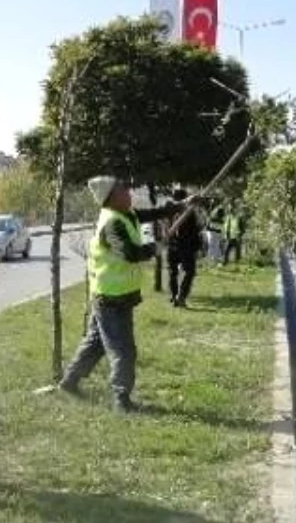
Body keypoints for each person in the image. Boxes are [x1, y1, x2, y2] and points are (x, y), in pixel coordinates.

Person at [57, 176, 191, 413]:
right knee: (124, 350)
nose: (128, 192)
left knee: (95, 343)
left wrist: (185, 204)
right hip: (111, 298)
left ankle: (69, 383)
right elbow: (129, 254)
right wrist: (156, 247)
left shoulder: (125, 214)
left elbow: (152, 213)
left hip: (111, 294)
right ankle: (122, 401)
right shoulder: (112, 223)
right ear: (111, 197)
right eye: (123, 190)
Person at [165, 188, 203, 308]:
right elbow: (199, 226)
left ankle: (174, 295)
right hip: (185, 245)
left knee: (173, 272)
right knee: (189, 271)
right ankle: (180, 296)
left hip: (173, 244)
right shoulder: (190, 211)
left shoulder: (170, 211)